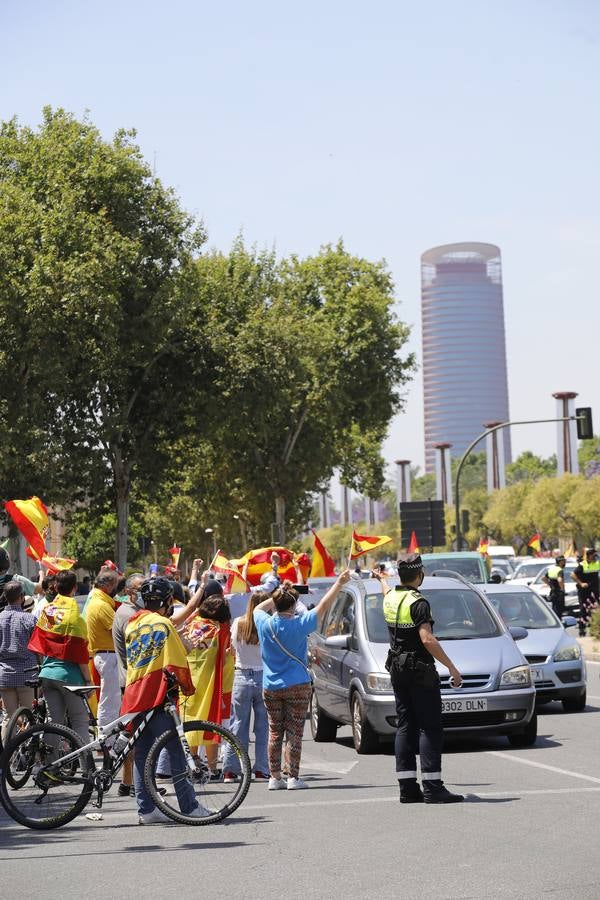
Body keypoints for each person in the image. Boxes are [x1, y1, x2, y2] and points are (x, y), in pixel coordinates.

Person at [253, 570, 351, 791]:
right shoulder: (300, 624)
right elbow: (324, 605)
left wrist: (278, 595)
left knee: (275, 731)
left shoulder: (264, 624)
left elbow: (258, 608)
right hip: (297, 684)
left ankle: (274, 777)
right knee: (294, 732)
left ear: (277, 603)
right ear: (293, 604)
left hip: (271, 685)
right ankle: (293, 778)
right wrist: (339, 582)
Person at [121, 576, 208, 824]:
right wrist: (188, 684)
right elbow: (176, 661)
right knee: (176, 751)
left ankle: (146, 810)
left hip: (135, 693)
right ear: (168, 600)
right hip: (158, 694)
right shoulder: (163, 624)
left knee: (142, 754)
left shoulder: (133, 624)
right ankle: (189, 807)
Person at [380, 553, 464, 804]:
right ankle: (432, 787)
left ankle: (407, 788)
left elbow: (386, 592)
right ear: (420, 575)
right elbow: (427, 639)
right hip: (419, 670)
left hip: (397, 668)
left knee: (405, 726)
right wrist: (452, 668)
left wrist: (381, 580)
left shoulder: (391, 598)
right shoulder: (419, 603)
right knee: (430, 727)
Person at [28, 569, 93, 744]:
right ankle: (88, 767)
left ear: (56, 587)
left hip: (47, 674)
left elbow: (38, 645)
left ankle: (50, 766)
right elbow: (80, 655)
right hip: (69, 677)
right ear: (74, 589)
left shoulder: (48, 611)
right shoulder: (75, 618)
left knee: (53, 723)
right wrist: (88, 681)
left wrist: (45, 666)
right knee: (80, 720)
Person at [180, 578, 234, 773]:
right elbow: (227, 658)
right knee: (212, 726)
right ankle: (212, 768)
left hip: (186, 682)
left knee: (189, 724)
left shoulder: (191, 623)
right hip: (210, 685)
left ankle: (192, 764)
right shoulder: (220, 630)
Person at [221, 592, 270, 782]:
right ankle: (261, 769)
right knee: (263, 727)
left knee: (238, 726)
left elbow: (232, 650)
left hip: (241, 675)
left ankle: (230, 770)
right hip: (263, 675)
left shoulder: (238, 623)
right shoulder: (266, 624)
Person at [112, 572, 145, 796]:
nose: (145, 592)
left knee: (134, 733)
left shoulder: (135, 612)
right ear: (129, 592)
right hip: (132, 680)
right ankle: (131, 783)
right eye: (141, 588)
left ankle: (129, 782)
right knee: (133, 734)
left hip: (133, 678)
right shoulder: (127, 615)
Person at [0, 581, 38, 743]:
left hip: (5, 675)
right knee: (29, 715)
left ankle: (7, 758)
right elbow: (38, 648)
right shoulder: (29, 619)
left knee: (9, 717)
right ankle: (27, 753)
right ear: (22, 597)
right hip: (27, 674)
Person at [86, 570, 121, 735]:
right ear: (107, 586)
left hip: (106, 656)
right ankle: (106, 738)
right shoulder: (101, 605)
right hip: (108, 656)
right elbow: (119, 631)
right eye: (115, 585)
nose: (117, 588)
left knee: (110, 699)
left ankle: (106, 736)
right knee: (109, 701)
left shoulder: (98, 601)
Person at [572, 548, 600, 637]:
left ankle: (594, 628)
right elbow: (573, 575)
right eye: (593, 554)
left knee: (596, 609)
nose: (595, 556)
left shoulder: (596, 563)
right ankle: (582, 629)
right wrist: (581, 583)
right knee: (584, 610)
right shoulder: (582, 565)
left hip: (595, 590)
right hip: (584, 591)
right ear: (588, 556)